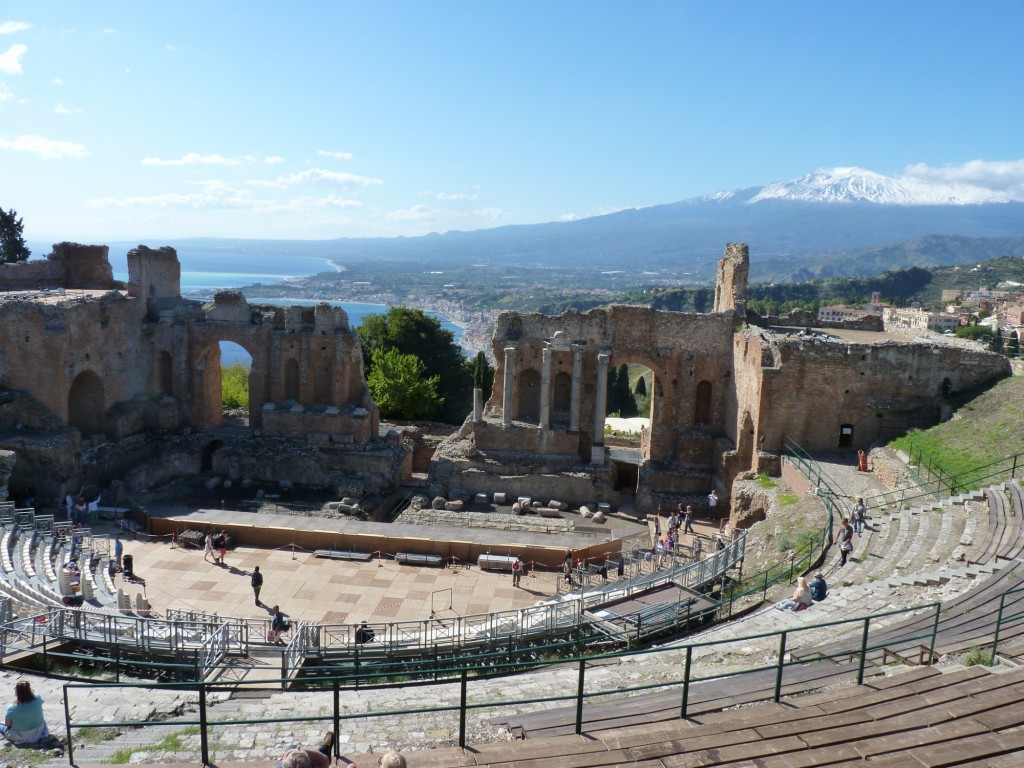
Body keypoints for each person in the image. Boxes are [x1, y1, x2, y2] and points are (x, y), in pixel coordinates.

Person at [0, 680, 50, 745]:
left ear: (17, 692)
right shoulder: (38, 698)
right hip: (39, 732)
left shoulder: (11, 708)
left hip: (21, 736)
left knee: (2, 725)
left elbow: (8, 724)